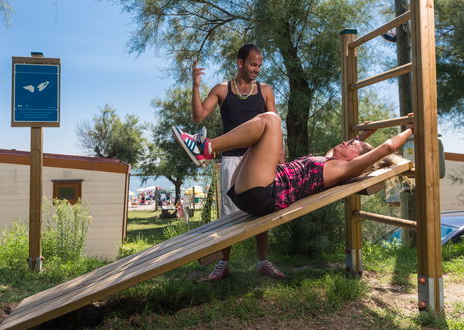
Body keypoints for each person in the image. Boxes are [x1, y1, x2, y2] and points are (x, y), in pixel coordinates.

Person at [172, 112, 414, 217]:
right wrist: (364, 136)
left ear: (355, 159)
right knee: (262, 122)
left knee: (271, 120)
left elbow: (388, 148)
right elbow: (350, 150)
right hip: (255, 189)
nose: (344, 141)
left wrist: (410, 130)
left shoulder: (342, 169)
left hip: (265, 193)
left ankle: (206, 149)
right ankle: (206, 149)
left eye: (350, 143)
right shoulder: (331, 160)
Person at [191, 44, 285, 281]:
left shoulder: (265, 91)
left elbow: (275, 128)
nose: (257, 69)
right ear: (240, 62)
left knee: (264, 210)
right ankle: (224, 264)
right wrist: (195, 86)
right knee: (228, 214)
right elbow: (199, 115)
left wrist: (280, 160)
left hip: (259, 161)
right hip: (231, 159)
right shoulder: (222, 90)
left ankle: (263, 261)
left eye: (260, 65)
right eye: (253, 64)